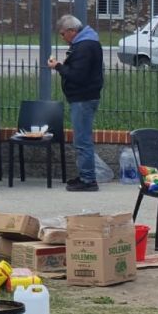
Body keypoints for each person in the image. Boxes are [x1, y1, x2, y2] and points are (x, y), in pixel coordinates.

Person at [48, 14, 103, 192]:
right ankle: (84, 175)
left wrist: (58, 66)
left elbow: (78, 76)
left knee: (82, 140)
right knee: (82, 139)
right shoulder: (86, 43)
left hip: (83, 99)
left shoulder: (85, 46)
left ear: (72, 31)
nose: (62, 37)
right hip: (84, 97)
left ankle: (88, 180)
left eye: (63, 33)